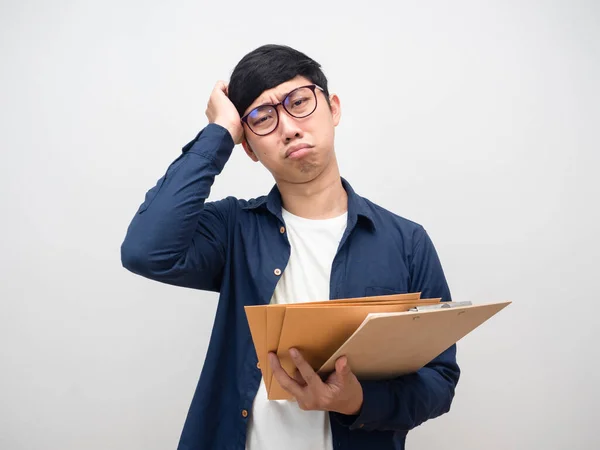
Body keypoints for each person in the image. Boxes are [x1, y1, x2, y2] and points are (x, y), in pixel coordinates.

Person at [121, 44, 460, 450]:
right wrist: (219, 133)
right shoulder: (234, 229)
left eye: (299, 102)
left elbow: (440, 380)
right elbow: (146, 250)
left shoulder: (406, 242)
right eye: (262, 119)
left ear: (333, 108)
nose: (288, 127)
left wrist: (359, 401)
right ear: (248, 147)